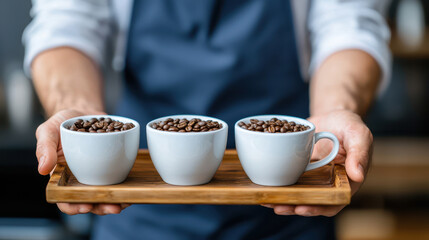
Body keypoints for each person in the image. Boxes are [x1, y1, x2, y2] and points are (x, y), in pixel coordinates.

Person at [23, 0, 391, 239]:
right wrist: (78, 117)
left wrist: (333, 112)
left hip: (290, 211)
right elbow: (66, 24)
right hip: (137, 210)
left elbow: (349, 23)